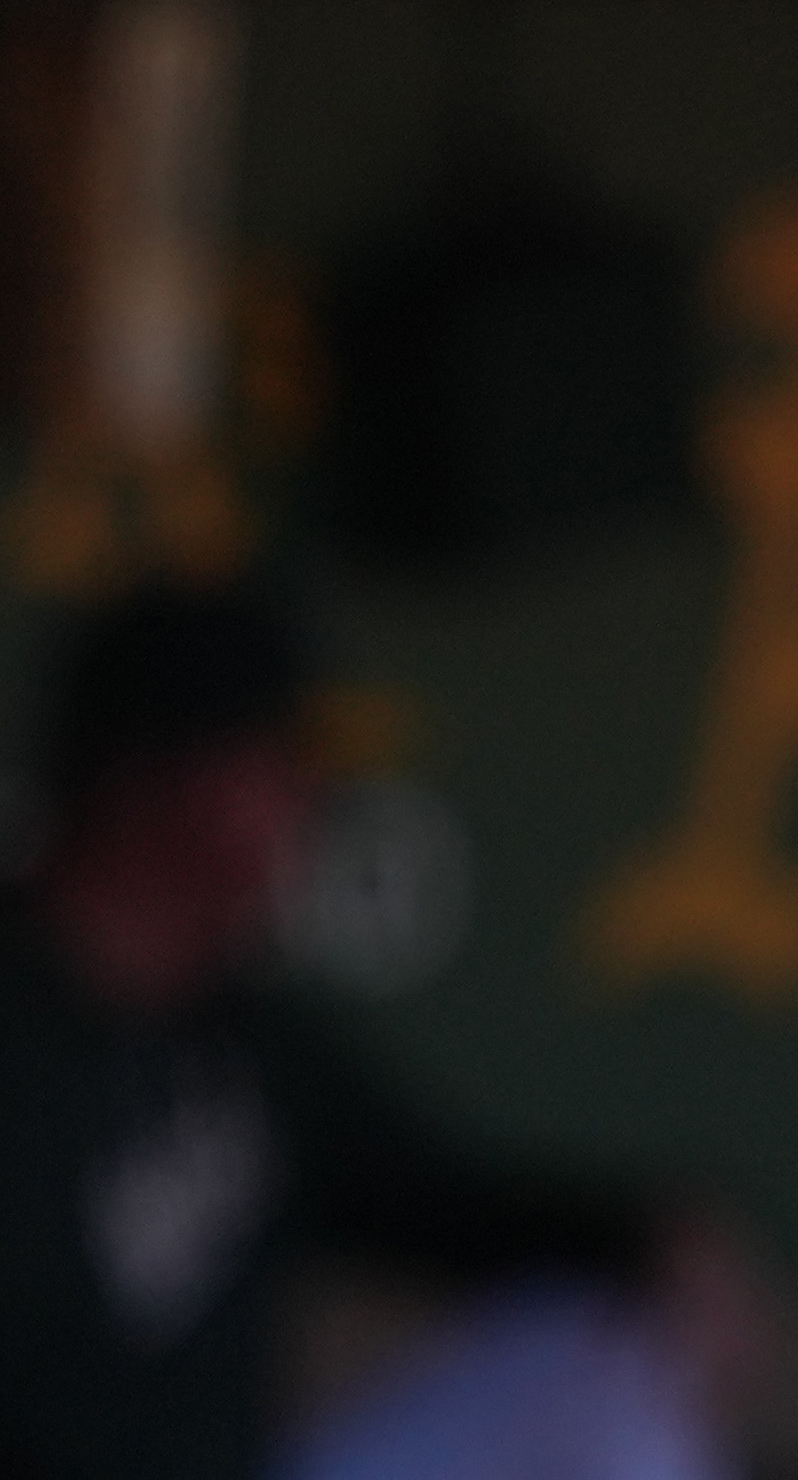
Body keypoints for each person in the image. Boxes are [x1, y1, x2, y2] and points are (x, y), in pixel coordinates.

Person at [0, 580, 675, 1480]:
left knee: (604, 1369)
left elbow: (451, 1208)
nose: (310, 800)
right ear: (145, 776)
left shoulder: (245, 1033)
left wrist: (656, 1238)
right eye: (277, 761)